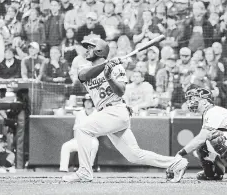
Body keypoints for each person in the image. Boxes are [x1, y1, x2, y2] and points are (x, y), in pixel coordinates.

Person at [62, 37, 188, 183]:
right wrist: (106, 66)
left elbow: (120, 91)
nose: (87, 51)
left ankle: (84, 171)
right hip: (105, 113)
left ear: (99, 50)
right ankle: (176, 163)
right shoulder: (84, 68)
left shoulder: (116, 67)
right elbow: (84, 76)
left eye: (90, 47)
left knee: (83, 129)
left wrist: (109, 77)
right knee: (134, 155)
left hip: (116, 110)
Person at [167, 85, 227, 182]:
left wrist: (180, 153)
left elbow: (201, 138)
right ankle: (213, 173)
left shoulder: (214, 111)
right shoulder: (207, 113)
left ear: (205, 101)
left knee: (213, 138)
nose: (191, 101)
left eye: (195, 98)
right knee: (203, 146)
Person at [59, 94, 99, 172]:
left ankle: (89, 167)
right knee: (65, 146)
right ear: (84, 103)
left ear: (93, 102)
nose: (87, 103)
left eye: (90, 101)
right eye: (86, 101)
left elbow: (98, 130)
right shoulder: (80, 113)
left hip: (91, 139)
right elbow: (76, 128)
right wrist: (77, 139)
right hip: (79, 138)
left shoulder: (96, 113)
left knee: (95, 144)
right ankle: (63, 169)